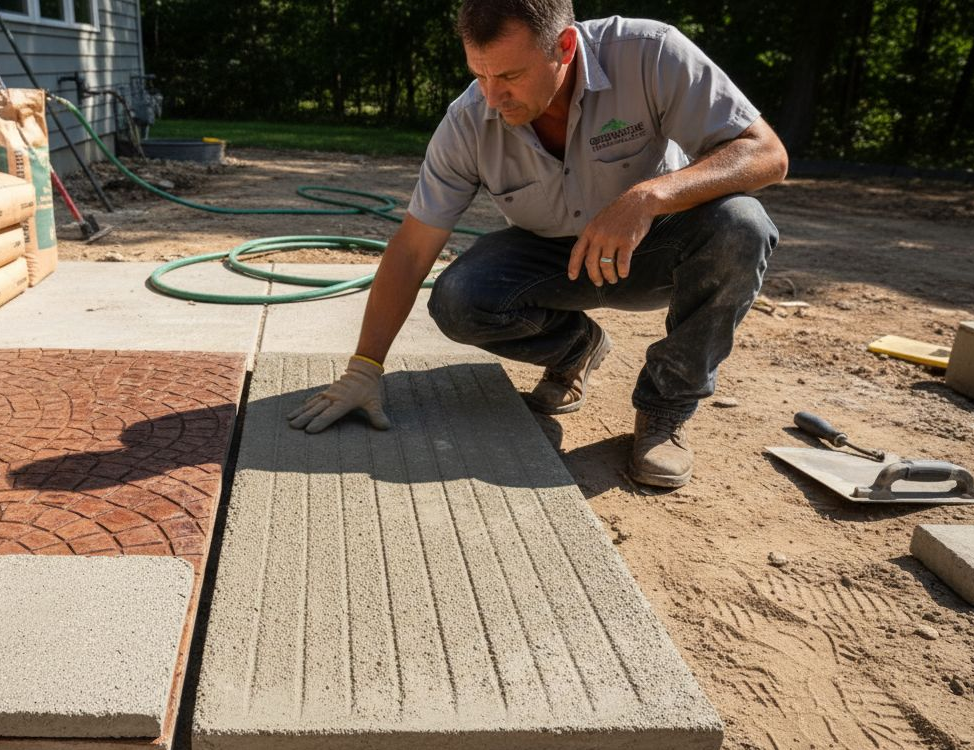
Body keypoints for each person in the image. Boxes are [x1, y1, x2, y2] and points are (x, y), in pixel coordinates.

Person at [286, 0, 787, 488]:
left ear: (564, 47)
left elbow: (766, 153)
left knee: (741, 225)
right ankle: (577, 350)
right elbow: (413, 248)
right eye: (480, 75)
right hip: (553, 262)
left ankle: (664, 411)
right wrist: (364, 368)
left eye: (509, 76)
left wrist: (649, 197)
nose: (491, 97)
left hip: (651, 249)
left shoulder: (649, 54)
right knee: (459, 298)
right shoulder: (467, 121)